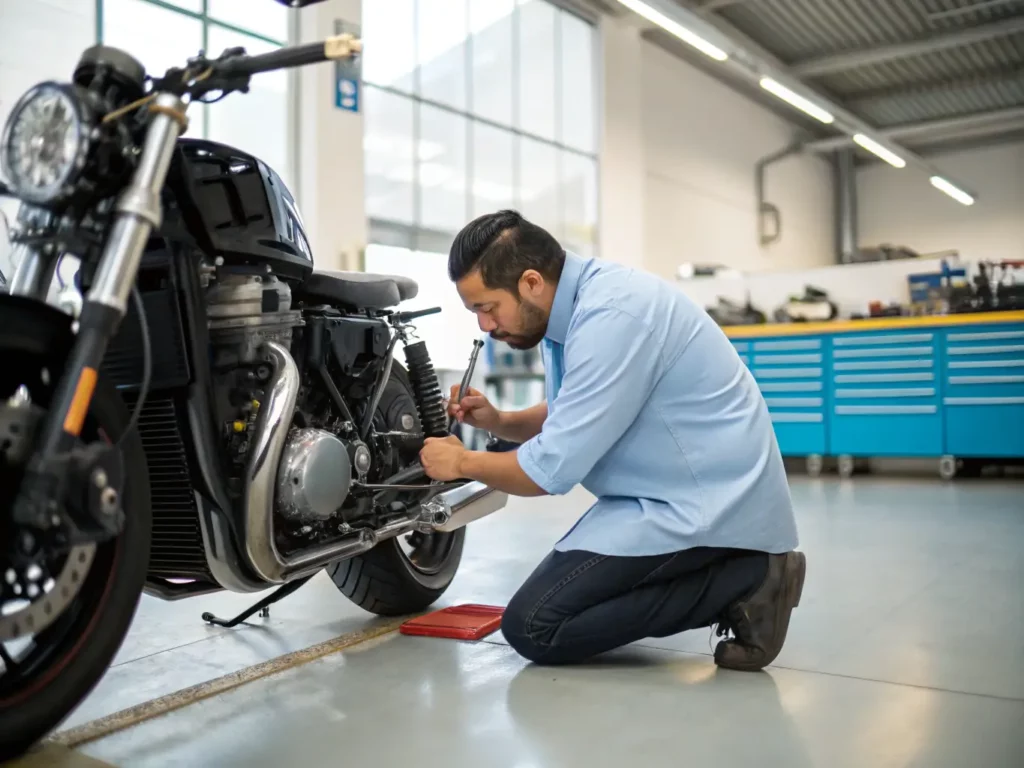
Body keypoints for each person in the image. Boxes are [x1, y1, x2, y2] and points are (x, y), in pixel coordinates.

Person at [419, 210, 804, 670]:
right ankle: (735, 576)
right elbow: (576, 409)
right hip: (662, 494)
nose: (485, 325)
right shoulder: (571, 308)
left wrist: (462, 463)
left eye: (486, 307)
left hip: (706, 501)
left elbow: (549, 471)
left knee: (535, 626)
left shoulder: (613, 316)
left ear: (531, 283)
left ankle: (749, 580)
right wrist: (499, 420)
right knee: (548, 611)